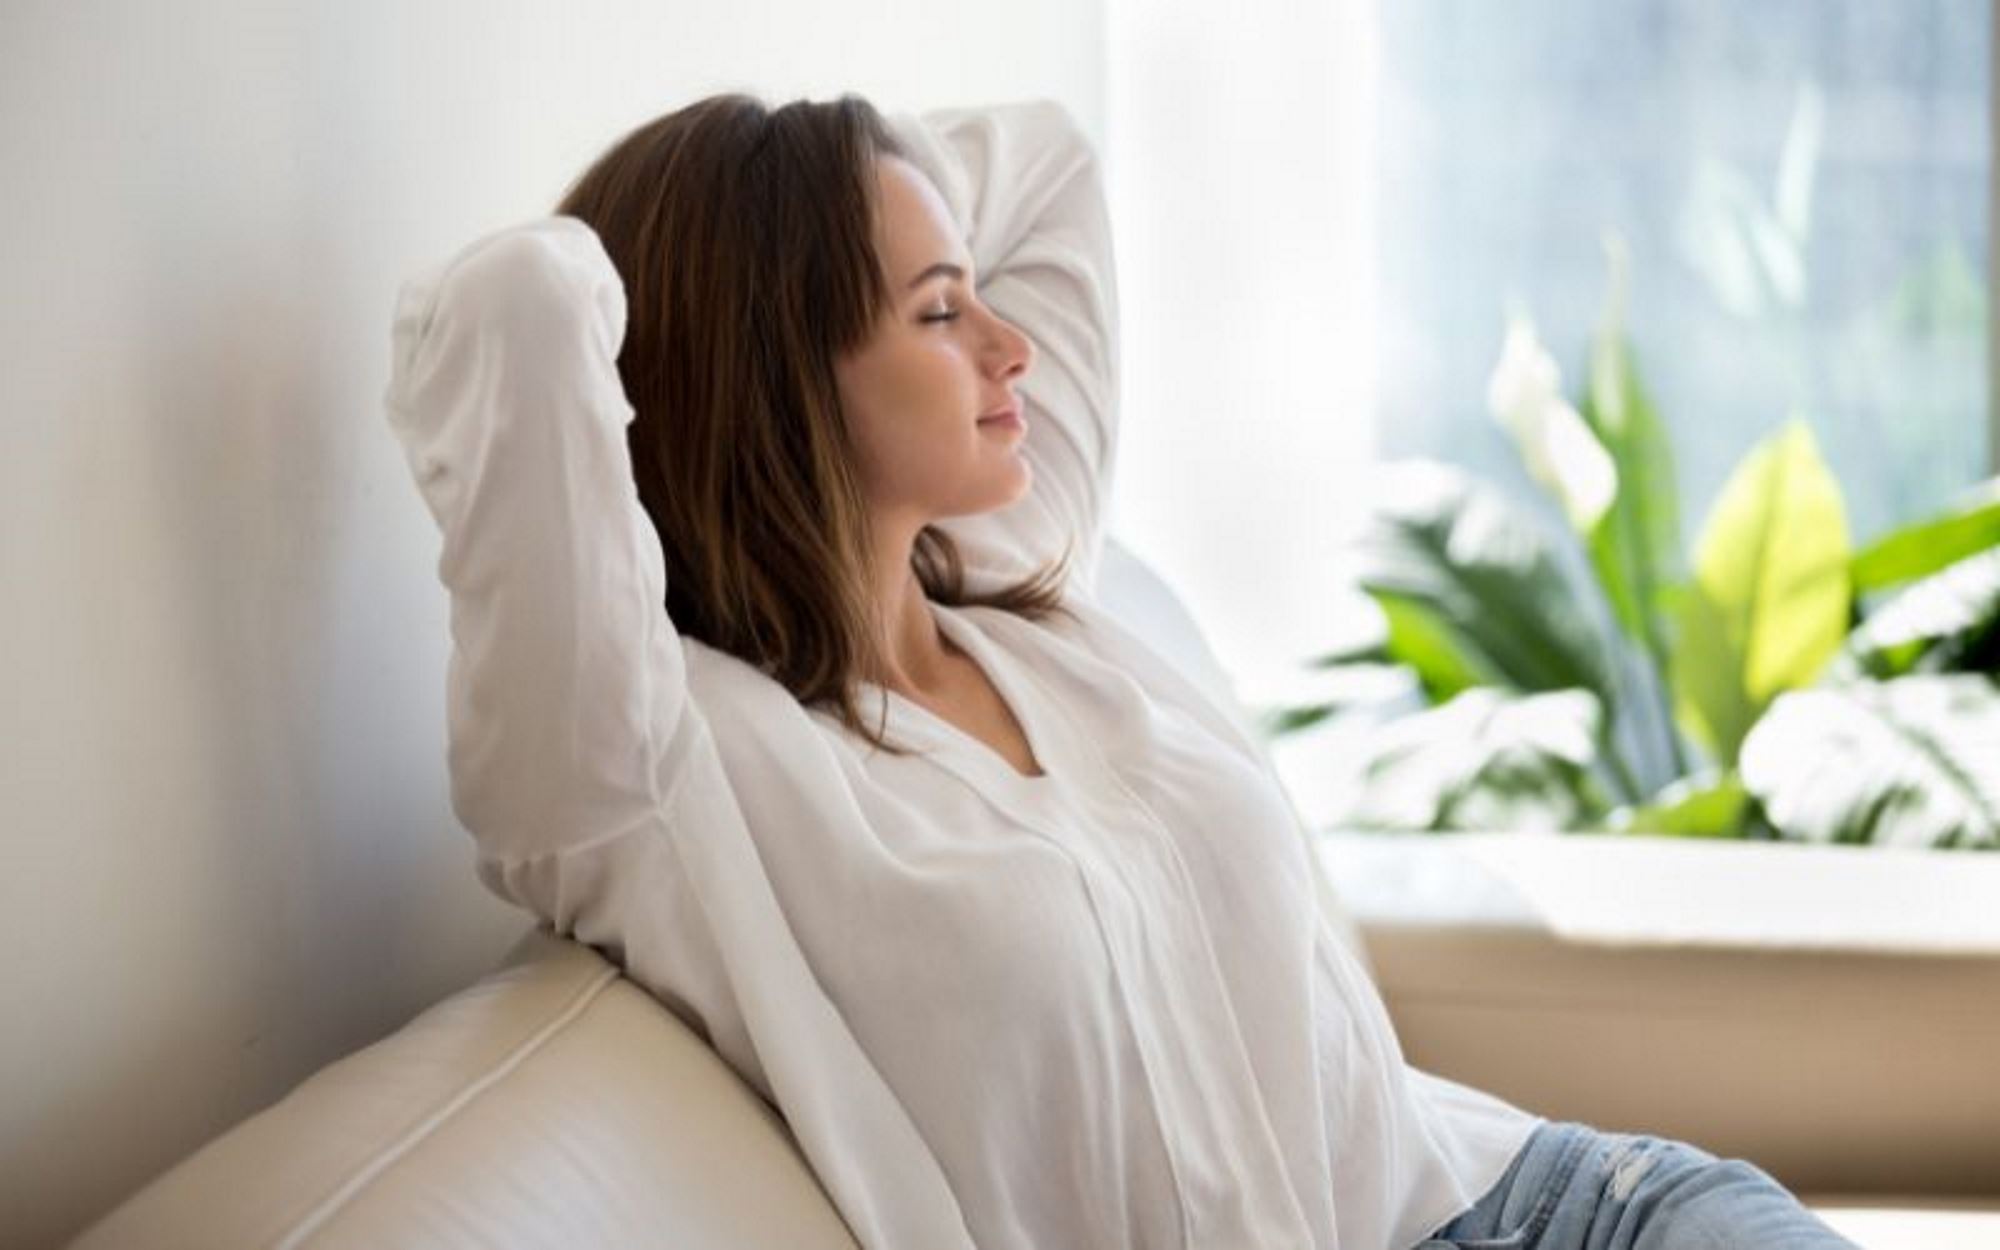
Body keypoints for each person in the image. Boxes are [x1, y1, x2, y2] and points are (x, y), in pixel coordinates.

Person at [383, 93, 1857, 1250]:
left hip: (1561, 1204)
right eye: (942, 313)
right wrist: (745, 228)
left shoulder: (1023, 581)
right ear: (777, 368)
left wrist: (842, 183)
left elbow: (1051, 153)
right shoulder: (663, 774)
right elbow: (519, 300)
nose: (1011, 347)